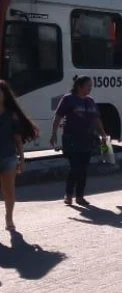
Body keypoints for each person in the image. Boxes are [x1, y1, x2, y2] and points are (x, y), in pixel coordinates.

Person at [50, 76, 109, 206]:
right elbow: (58, 116)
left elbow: (96, 120)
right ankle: (69, 194)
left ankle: (80, 196)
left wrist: (103, 135)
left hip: (87, 139)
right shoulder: (68, 99)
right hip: (71, 139)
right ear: (79, 86)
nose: (90, 88)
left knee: (83, 168)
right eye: (88, 85)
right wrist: (54, 133)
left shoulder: (90, 101)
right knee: (75, 167)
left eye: (91, 86)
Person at [0, 81, 39, 231]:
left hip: (8, 157)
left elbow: (17, 139)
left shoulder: (12, 115)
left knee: (9, 190)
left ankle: (9, 218)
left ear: (4, 95)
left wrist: (22, 160)